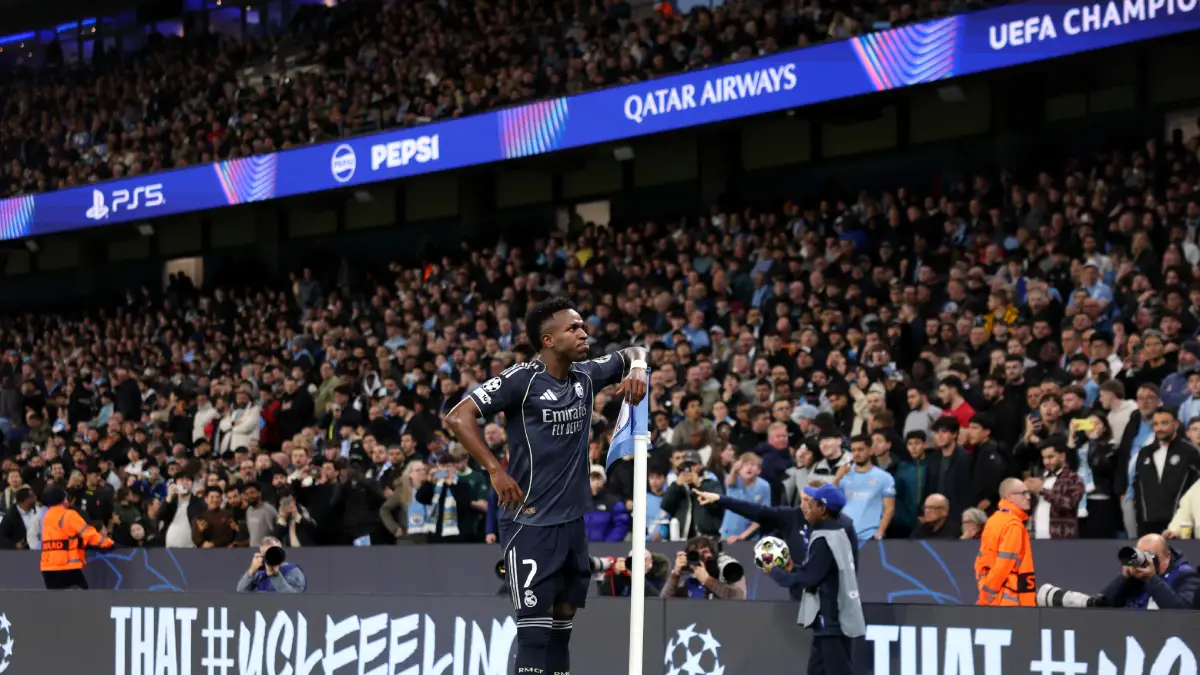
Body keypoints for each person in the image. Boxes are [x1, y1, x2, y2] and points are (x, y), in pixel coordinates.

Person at [443, 297, 647, 675]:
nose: (584, 333)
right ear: (548, 340)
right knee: (534, 633)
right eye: (573, 328)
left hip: (572, 522)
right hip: (529, 522)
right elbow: (458, 417)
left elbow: (636, 349)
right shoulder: (522, 378)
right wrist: (494, 469)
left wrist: (637, 366)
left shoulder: (586, 374)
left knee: (562, 629)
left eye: (583, 325)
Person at [767, 483, 864, 675]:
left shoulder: (823, 539)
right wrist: (792, 568)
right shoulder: (839, 533)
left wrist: (775, 572)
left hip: (831, 620)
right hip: (834, 619)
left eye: (811, 504)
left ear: (823, 509)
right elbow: (822, 571)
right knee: (816, 671)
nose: (806, 508)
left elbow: (809, 579)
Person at [1130, 408, 1200, 537]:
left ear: (1176, 424)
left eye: (1164, 423)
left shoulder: (1190, 452)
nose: (1159, 428)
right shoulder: (1144, 453)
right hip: (1147, 524)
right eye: (1155, 424)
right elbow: (1137, 485)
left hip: (1179, 526)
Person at [39, 483, 115, 589]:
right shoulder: (69, 515)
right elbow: (89, 534)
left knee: (57, 603)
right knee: (82, 600)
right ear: (63, 499)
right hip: (66, 567)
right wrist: (108, 543)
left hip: (47, 568)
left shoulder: (46, 517)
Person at [975, 478, 1036, 606]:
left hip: (993, 595)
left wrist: (984, 592)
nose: (1028, 497)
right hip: (1009, 599)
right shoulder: (1014, 525)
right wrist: (988, 594)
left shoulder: (993, 520)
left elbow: (981, 562)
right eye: (1023, 493)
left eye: (1028, 493)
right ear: (1008, 497)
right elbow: (1004, 564)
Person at [1100, 534, 1199, 609]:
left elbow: (1183, 611)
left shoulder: (1186, 575)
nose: (1145, 561)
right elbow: (1102, 604)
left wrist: (1151, 577)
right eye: (1141, 555)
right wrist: (1123, 578)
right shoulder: (1136, 578)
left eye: (1149, 555)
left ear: (1167, 556)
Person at [835, 434, 895, 540]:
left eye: (860, 450)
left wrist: (880, 532)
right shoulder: (844, 475)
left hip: (869, 536)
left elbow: (889, 509)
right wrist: (837, 478)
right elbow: (830, 502)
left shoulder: (884, 477)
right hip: (844, 536)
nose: (856, 454)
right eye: (853, 450)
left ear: (871, 451)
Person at [658, 535, 746, 600]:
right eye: (696, 553)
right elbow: (665, 601)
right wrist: (675, 574)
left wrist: (708, 580)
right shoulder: (691, 581)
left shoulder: (728, 570)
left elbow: (739, 597)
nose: (701, 557)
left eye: (705, 552)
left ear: (713, 554)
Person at [235, 536, 307, 593]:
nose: (272, 557)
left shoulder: (292, 571)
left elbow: (295, 598)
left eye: (274, 553)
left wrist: (275, 575)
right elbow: (241, 593)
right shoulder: (259, 574)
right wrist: (251, 571)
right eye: (267, 554)